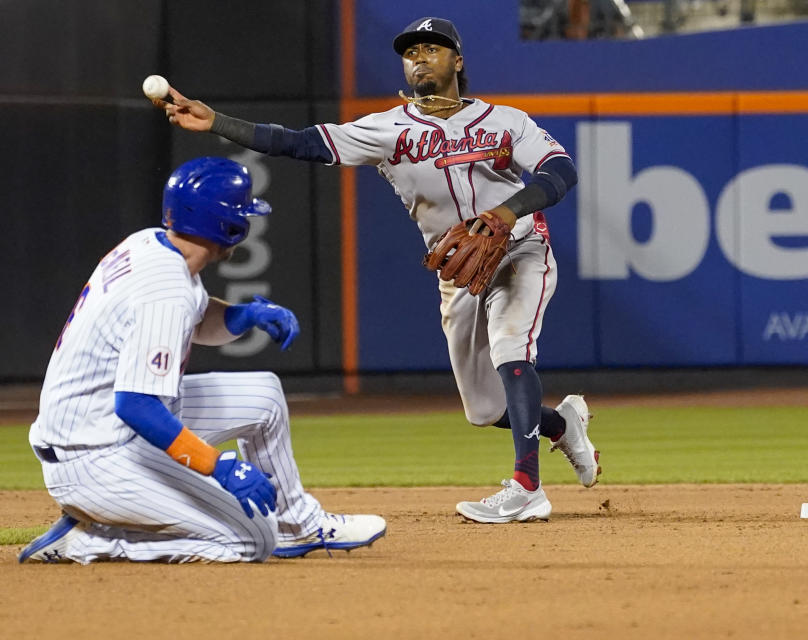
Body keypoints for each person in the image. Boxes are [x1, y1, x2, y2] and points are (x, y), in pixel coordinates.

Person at [156, 17, 600, 524]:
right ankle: (560, 425)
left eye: (432, 49)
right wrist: (216, 121)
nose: (419, 58)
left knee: (510, 346)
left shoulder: (506, 121)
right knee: (484, 409)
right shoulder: (386, 129)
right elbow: (298, 142)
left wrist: (506, 213)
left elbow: (561, 170)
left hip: (522, 249)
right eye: (411, 52)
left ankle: (526, 487)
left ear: (458, 60)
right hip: (459, 271)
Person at [19, 157, 386, 564]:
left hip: (102, 426)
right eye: (242, 213)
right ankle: (92, 540)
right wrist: (220, 466)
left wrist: (242, 315)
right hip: (94, 458)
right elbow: (136, 405)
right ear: (227, 226)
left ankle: (295, 524)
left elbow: (188, 315)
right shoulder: (166, 288)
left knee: (263, 395)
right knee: (249, 542)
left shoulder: (151, 243)